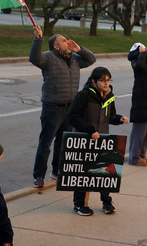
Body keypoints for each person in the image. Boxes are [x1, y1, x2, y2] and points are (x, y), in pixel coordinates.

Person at [30, 25, 96, 188]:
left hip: (70, 108)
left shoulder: (75, 60)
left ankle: (57, 172)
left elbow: (91, 59)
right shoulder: (48, 58)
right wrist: (38, 39)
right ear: (56, 46)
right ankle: (39, 176)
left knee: (63, 142)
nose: (68, 42)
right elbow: (34, 58)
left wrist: (79, 50)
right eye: (64, 41)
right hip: (53, 107)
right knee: (46, 143)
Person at [68, 66, 129, 215]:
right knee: (83, 174)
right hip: (85, 139)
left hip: (102, 139)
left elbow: (110, 116)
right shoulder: (83, 96)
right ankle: (79, 205)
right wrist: (89, 129)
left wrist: (119, 119)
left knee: (104, 173)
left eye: (108, 80)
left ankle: (106, 202)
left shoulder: (109, 96)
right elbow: (73, 116)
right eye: (102, 80)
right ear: (93, 82)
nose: (106, 83)